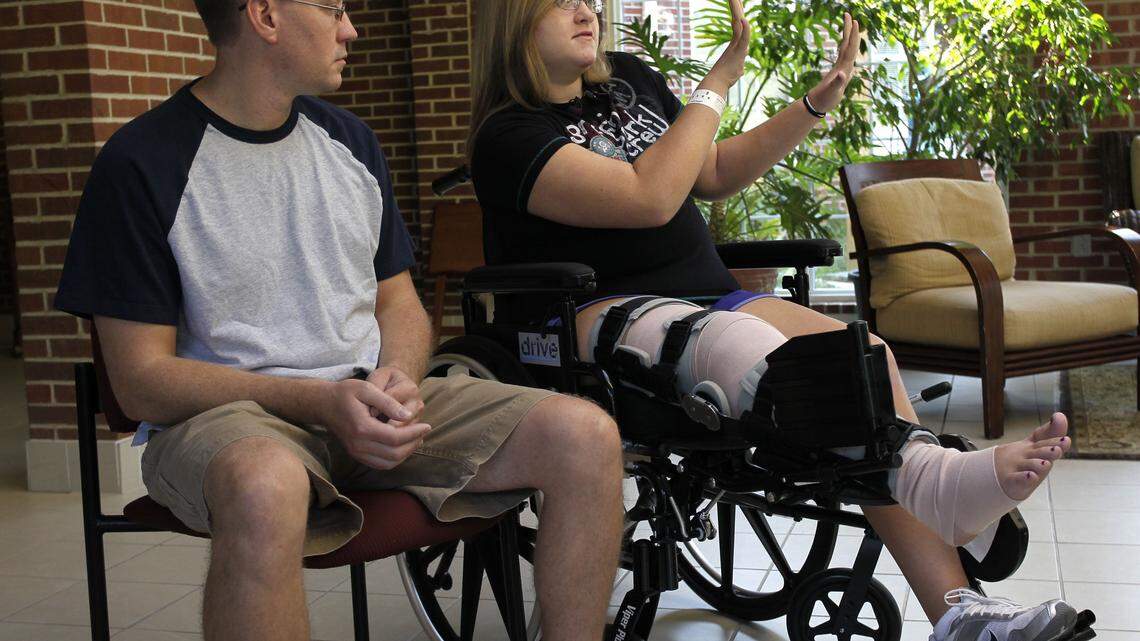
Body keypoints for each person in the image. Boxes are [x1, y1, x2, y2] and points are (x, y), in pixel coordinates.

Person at [466, 0, 1084, 639]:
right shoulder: (508, 137)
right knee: (745, 347)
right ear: (511, 20)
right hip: (597, 311)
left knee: (861, 356)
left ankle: (957, 613)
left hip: (707, 295)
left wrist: (812, 107)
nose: (586, 7)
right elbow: (647, 198)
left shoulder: (630, 80)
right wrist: (717, 83)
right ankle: (937, 484)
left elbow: (709, 170)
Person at [52, 1, 626, 640]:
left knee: (586, 437)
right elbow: (140, 381)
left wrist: (400, 378)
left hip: (364, 400)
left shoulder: (351, 141)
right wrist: (321, 403)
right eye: (332, 8)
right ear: (265, 16)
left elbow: (398, 305)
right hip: (232, 424)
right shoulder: (140, 163)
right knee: (264, 484)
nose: (351, 28)